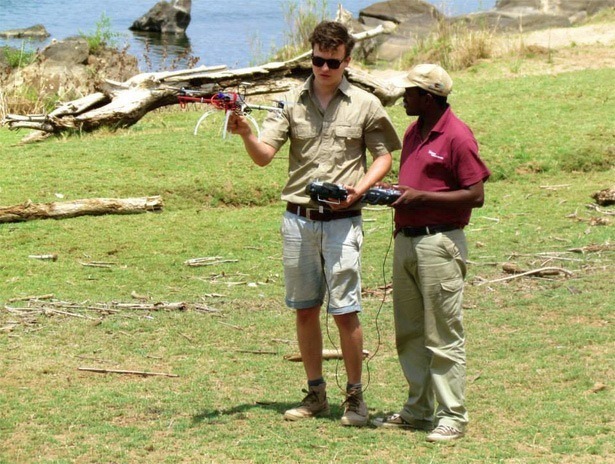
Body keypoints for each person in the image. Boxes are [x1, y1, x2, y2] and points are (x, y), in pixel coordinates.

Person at [227, 21, 401, 426]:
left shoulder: (365, 104)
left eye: (332, 62)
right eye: (318, 60)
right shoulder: (289, 102)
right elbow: (264, 155)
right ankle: (315, 393)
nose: (323, 68)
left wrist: (359, 189)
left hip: (343, 221)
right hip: (299, 221)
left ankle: (355, 398)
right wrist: (245, 134)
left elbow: (384, 157)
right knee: (305, 309)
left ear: (347, 61)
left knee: (346, 311)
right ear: (311, 57)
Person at [371, 64, 490, 441]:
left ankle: (453, 415)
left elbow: (476, 195)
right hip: (406, 239)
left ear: (428, 97)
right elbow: (414, 183)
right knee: (408, 332)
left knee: (442, 334)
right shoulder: (412, 131)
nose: (403, 98)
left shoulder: (457, 136)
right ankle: (418, 409)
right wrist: (394, 192)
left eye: (409, 93)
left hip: (440, 243)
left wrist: (422, 197)